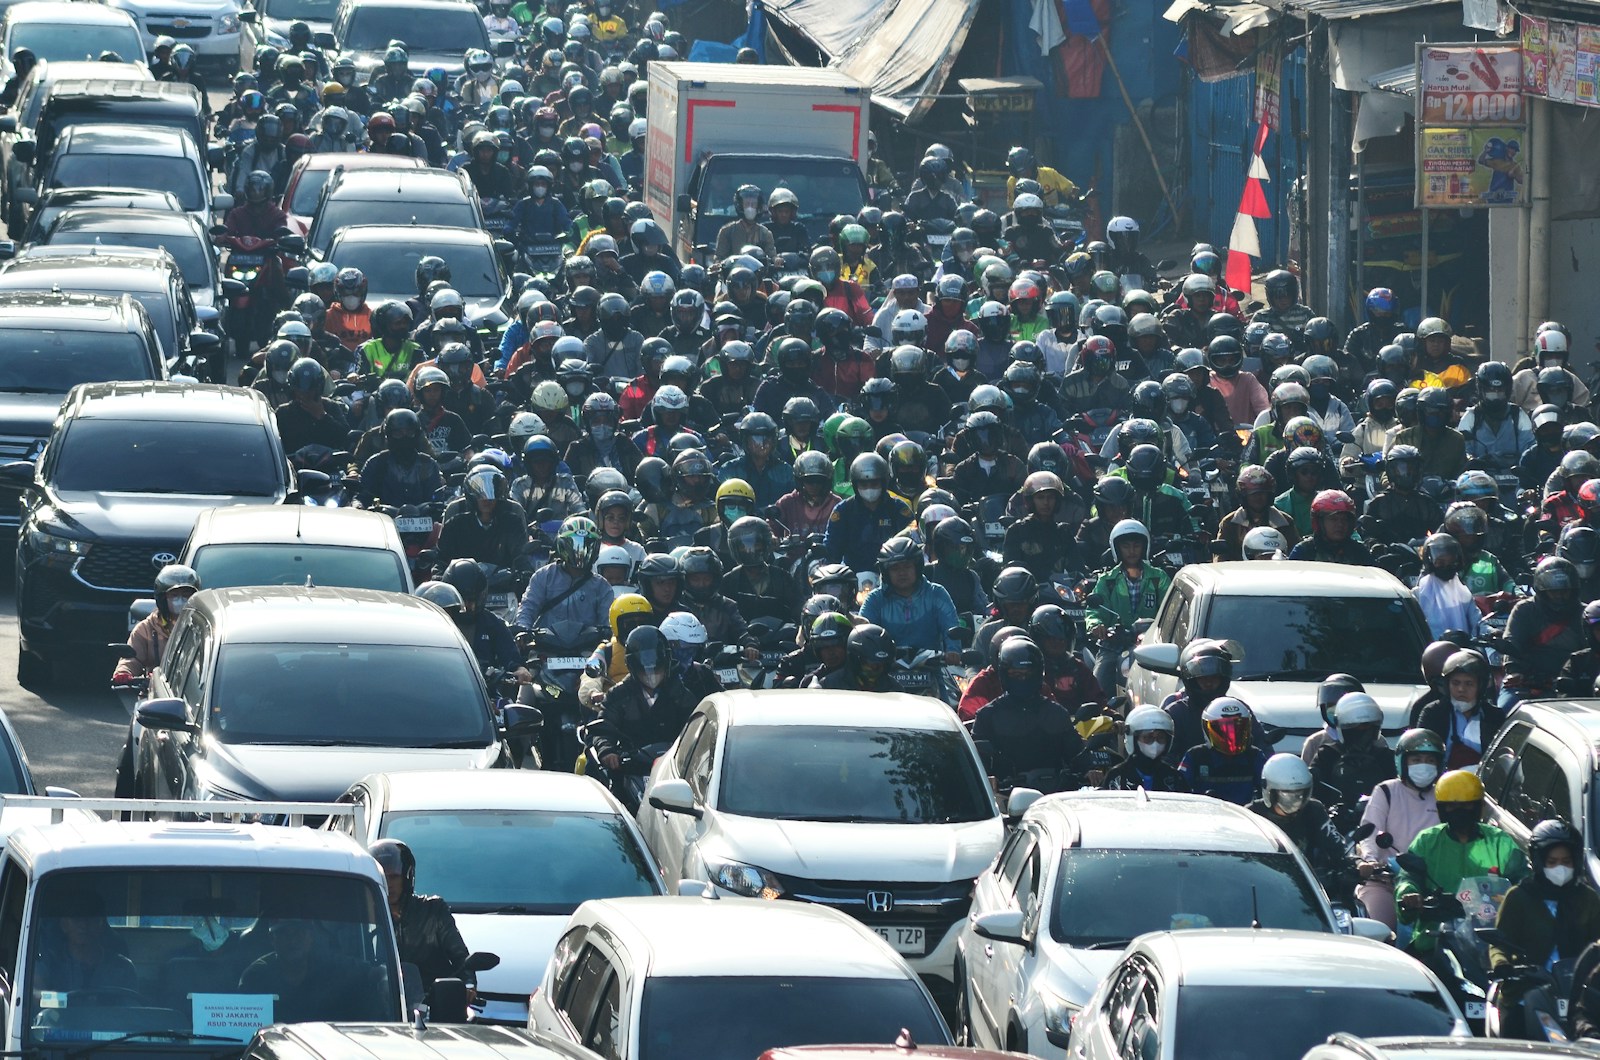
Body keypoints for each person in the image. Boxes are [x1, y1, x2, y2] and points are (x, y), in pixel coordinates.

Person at [1396, 771, 1527, 952]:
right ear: (1441, 809)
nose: (1460, 812)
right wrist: (1409, 894)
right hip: (1435, 938)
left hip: (1490, 939)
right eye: (1451, 807)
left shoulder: (1499, 842)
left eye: (1467, 806)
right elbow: (1409, 877)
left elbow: (1523, 881)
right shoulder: (1427, 841)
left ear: (1479, 807)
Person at [1357, 728, 1445, 930]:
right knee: (1379, 931)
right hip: (1384, 881)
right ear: (1402, 763)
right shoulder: (1386, 791)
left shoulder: (1443, 795)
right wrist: (1370, 861)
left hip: (1432, 884)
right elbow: (1370, 830)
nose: (1423, 765)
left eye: (1430, 760)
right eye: (1416, 760)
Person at [972, 637, 1086, 792]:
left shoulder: (1056, 712)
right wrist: (988, 778)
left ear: (1039, 673)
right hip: (1006, 801)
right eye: (1016, 674)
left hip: (1056, 796)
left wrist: (1090, 769)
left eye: (1028, 674)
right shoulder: (987, 716)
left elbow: (1077, 754)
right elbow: (977, 763)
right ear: (1004, 675)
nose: (1023, 679)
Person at [1490, 820, 1600, 975]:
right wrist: (1501, 963)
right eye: (1552, 862)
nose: (1560, 868)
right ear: (1538, 863)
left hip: (1577, 989)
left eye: (1566, 862)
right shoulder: (1519, 897)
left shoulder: (1588, 898)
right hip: (1527, 988)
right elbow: (1500, 944)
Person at [1249, 754, 1361, 903]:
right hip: (1262, 890)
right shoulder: (1251, 815)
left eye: (1300, 794)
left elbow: (1337, 846)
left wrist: (1356, 863)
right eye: (1287, 795)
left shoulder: (1314, 810)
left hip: (1307, 890)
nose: (1295, 801)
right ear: (1269, 790)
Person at [367, 838, 470, 995]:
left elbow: (460, 955)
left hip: (432, 1001)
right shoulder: (364, 916)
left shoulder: (433, 910)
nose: (389, 883)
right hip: (382, 1001)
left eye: (394, 876)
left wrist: (468, 984)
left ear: (407, 877)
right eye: (384, 877)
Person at [590, 625, 699, 768]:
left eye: (657, 666)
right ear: (632, 665)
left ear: (666, 662)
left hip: (673, 769)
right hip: (628, 770)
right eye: (643, 667)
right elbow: (604, 728)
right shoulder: (617, 695)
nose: (651, 673)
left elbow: (696, 731)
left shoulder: (681, 695)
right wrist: (607, 751)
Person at [1085, 519, 1169, 694]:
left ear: (1144, 546)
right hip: (1113, 646)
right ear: (1117, 548)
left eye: (1136, 546)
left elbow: (1170, 610)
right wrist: (1096, 625)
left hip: (1150, 645)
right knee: (1096, 688)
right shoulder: (1107, 580)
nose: (1131, 551)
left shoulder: (1158, 577)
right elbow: (1094, 610)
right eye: (1126, 546)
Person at [1504, 556, 1584, 706]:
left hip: (1574, 685)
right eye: (1554, 592)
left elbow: (1591, 653)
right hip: (1527, 683)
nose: (1560, 597)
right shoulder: (1525, 610)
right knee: (1504, 711)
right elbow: (1512, 643)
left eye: (1564, 591)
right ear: (1542, 591)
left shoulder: (1584, 615)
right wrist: (1515, 672)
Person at [860, 537, 961, 656]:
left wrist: (953, 651)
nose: (902, 573)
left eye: (907, 566)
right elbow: (863, 634)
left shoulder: (937, 593)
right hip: (886, 669)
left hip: (933, 670)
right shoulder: (874, 600)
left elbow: (951, 627)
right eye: (895, 568)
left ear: (917, 567)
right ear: (886, 572)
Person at [514, 516, 610, 632]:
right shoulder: (544, 576)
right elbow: (528, 607)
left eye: (587, 547)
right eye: (574, 546)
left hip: (588, 648)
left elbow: (608, 623)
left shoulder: (602, 587)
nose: (580, 553)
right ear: (562, 545)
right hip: (544, 646)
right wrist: (523, 630)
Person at [1310, 692, 1396, 815]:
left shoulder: (1386, 758)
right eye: (1355, 729)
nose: (1363, 736)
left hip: (1382, 821)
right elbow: (1314, 796)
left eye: (1368, 728)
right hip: (1335, 823)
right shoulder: (1327, 756)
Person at [1418, 648, 1504, 770]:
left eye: (1469, 684)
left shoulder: (1495, 716)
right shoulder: (1433, 713)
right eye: (1455, 683)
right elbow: (1422, 754)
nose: (1461, 689)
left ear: (1480, 687)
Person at [1177, 697, 1268, 805]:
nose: (1232, 737)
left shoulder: (1254, 756)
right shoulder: (1195, 756)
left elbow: (1268, 794)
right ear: (1207, 730)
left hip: (1245, 818)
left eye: (1238, 729)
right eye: (1224, 731)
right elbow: (1180, 794)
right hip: (1206, 817)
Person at [437, 466, 528, 569]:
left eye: (492, 493)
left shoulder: (512, 522)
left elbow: (521, 557)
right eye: (480, 493)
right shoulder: (456, 522)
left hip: (504, 582)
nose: (486, 499)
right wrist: (439, 578)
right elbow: (442, 559)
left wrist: (523, 576)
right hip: (462, 582)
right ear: (471, 496)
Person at [356, 409, 445, 508]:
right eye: (398, 433)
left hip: (424, 520)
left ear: (417, 434)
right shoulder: (377, 463)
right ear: (389, 435)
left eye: (409, 432)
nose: (404, 438)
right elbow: (362, 496)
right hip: (385, 520)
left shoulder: (428, 464)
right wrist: (359, 506)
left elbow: (438, 500)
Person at [1101, 706, 1186, 791]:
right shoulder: (1117, 776)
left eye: (1160, 737)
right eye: (1148, 737)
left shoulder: (1175, 778)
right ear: (1134, 739)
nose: (1155, 743)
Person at [818, 624, 899, 692]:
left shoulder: (894, 689)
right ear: (855, 660)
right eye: (869, 663)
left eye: (880, 664)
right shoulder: (829, 685)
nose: (875, 669)